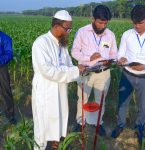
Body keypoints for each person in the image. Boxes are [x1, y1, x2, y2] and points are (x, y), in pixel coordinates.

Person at [32, 10, 85, 150]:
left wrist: (81, 72)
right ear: (56, 26)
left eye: (70, 29)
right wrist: (75, 71)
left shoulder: (62, 44)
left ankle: (55, 144)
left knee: (59, 118)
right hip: (46, 90)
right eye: (67, 29)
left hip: (60, 90)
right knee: (43, 125)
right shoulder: (41, 43)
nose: (69, 32)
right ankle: (40, 147)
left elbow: (68, 66)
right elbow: (47, 71)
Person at [71, 5, 117, 136]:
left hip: (103, 73)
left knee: (100, 99)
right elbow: (74, 51)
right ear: (93, 19)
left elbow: (114, 53)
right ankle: (80, 122)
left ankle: (98, 123)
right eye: (100, 22)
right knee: (82, 98)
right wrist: (88, 58)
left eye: (105, 23)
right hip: (86, 72)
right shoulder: (82, 32)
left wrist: (111, 60)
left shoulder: (110, 35)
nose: (102, 26)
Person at [111, 4, 145, 145]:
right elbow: (120, 52)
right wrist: (120, 58)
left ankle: (139, 128)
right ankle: (120, 126)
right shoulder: (127, 34)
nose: (137, 26)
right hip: (127, 75)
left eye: (140, 23)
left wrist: (144, 66)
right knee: (122, 102)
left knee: (143, 106)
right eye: (134, 23)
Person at [0, 31, 17, 125]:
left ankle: (10, 116)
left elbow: (9, 54)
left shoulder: (4, 38)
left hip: (1, 68)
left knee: (5, 91)